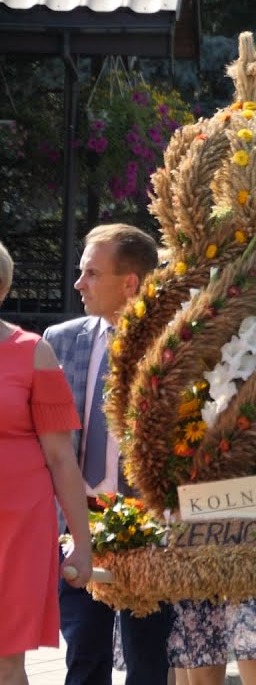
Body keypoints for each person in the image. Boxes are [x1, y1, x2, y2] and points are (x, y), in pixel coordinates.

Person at [46, 223, 172, 685]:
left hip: (150, 526)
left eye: (91, 274)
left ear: (131, 283)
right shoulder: (60, 341)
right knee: (84, 657)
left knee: (147, 660)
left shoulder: (172, 347)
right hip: (79, 522)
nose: (79, 283)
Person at [0, 239, 93, 682]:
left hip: (20, 525)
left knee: (5, 658)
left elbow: (61, 458)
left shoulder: (34, 351)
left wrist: (82, 540)